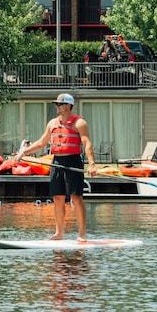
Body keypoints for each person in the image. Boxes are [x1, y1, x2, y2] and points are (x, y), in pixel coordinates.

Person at [17, 93, 97, 241]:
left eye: (60, 104)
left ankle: (82, 234)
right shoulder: (52, 123)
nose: (57, 106)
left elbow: (87, 144)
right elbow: (42, 142)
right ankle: (59, 233)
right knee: (58, 198)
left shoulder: (79, 123)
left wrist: (92, 164)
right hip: (57, 162)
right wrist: (24, 152)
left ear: (67, 106)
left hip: (73, 161)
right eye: (57, 104)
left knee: (76, 197)